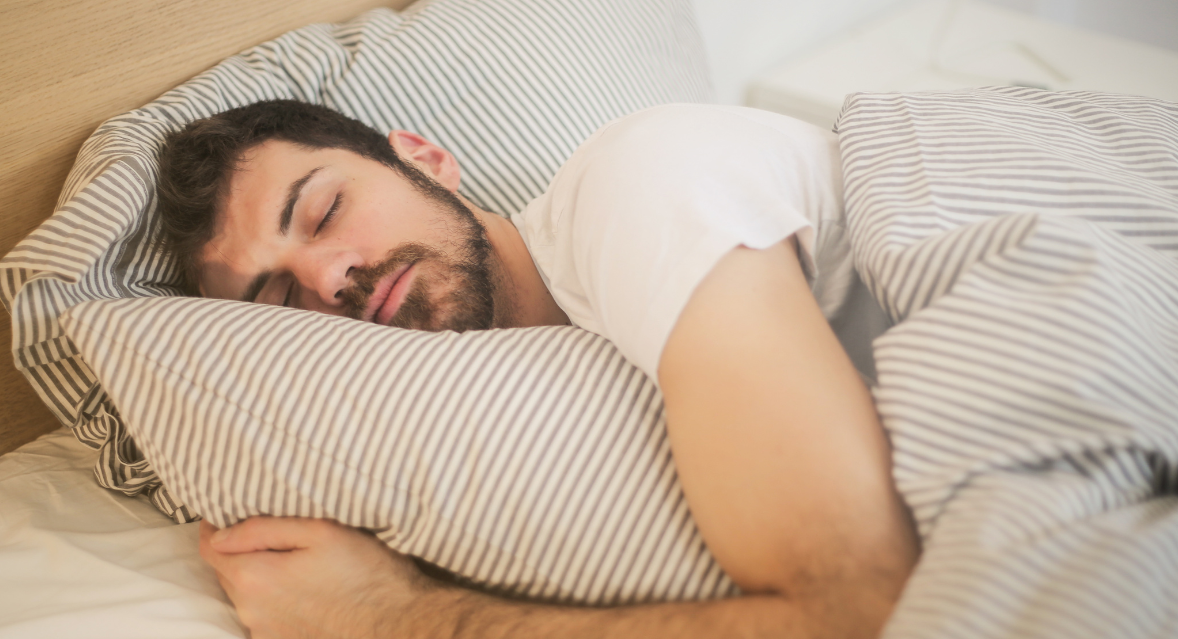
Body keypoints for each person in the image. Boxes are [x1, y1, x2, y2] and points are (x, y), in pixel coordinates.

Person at [157, 99, 919, 639]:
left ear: (424, 159)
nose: (329, 278)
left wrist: (393, 618)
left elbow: (866, 612)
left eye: (324, 213)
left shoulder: (640, 185)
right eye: (283, 295)